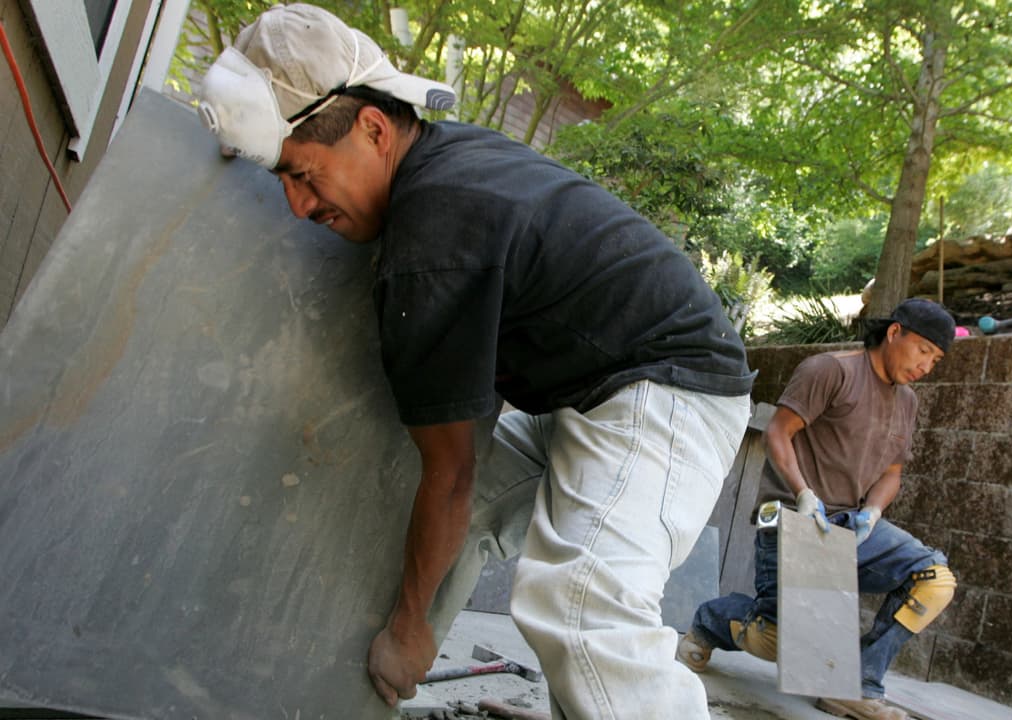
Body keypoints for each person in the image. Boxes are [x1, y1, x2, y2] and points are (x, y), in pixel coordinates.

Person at [195, 5, 754, 719]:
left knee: (580, 606)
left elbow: (452, 471)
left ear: (372, 128)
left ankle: (413, 649)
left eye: (305, 175)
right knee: (415, 501)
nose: (297, 205)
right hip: (592, 391)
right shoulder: (443, 167)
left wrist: (407, 626)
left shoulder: (433, 235)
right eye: (281, 178)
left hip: (664, 390)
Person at [677, 298, 958, 720]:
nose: (926, 366)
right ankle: (711, 621)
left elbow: (892, 472)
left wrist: (874, 512)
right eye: (923, 351)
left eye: (935, 360)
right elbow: (778, 433)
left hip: (852, 528)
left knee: (934, 579)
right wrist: (805, 494)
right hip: (793, 514)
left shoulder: (907, 403)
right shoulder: (830, 370)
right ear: (895, 333)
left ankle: (857, 685)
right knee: (783, 642)